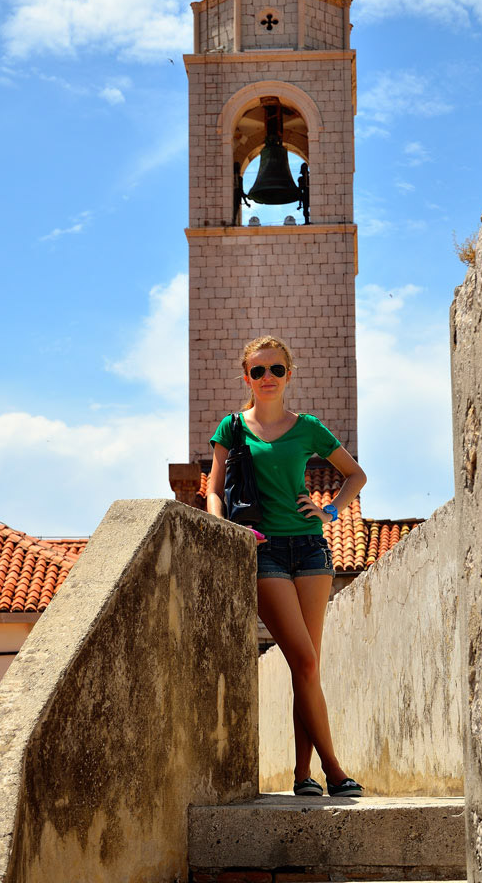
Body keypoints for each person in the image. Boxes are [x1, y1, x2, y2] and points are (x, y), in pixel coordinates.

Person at [206, 335, 367, 797]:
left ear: (289, 374)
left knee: (306, 666)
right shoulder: (232, 427)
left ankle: (303, 775)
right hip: (264, 551)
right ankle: (334, 770)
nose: (268, 378)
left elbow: (355, 475)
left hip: (312, 551)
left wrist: (331, 510)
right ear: (247, 378)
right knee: (304, 660)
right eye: (258, 371)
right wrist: (226, 531)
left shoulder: (309, 427)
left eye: (276, 369)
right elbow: (213, 489)